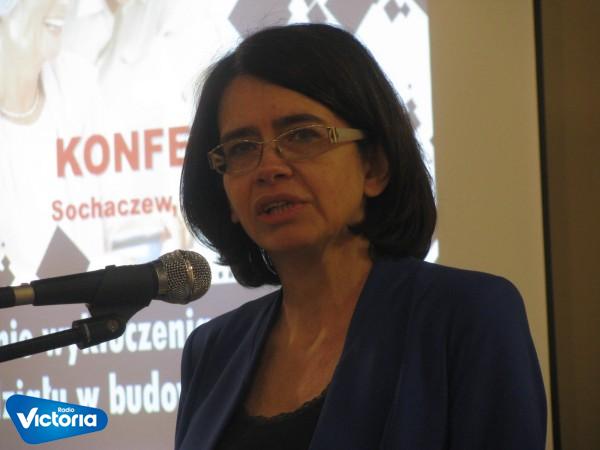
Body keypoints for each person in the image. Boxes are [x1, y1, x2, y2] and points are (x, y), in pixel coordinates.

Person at [175, 23, 546, 450]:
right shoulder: (211, 351)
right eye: (241, 147)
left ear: (374, 167)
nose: (269, 167)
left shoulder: (468, 315)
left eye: (302, 136)